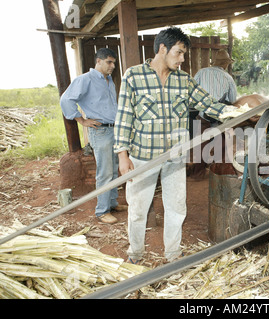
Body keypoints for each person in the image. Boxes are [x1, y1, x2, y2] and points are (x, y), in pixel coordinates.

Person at [114, 27, 229, 263]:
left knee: (176, 207)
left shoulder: (183, 80)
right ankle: (135, 254)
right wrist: (122, 156)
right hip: (143, 156)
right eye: (178, 53)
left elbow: (208, 103)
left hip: (175, 156)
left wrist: (239, 111)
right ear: (162, 49)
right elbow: (124, 117)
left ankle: (173, 254)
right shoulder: (133, 76)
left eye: (184, 54)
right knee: (137, 209)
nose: (182, 59)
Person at [60, 48, 125, 224]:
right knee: (104, 172)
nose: (112, 66)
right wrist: (81, 120)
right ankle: (102, 211)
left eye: (114, 62)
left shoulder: (109, 80)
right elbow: (66, 100)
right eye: (109, 62)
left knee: (113, 169)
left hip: (113, 129)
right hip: (100, 131)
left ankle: (112, 203)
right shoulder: (85, 79)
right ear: (98, 61)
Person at [189, 49, 238, 179]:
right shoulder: (228, 78)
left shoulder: (201, 72)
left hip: (203, 115)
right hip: (219, 117)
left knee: (200, 144)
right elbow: (233, 100)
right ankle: (218, 174)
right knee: (222, 143)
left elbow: (192, 92)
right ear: (226, 64)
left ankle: (197, 174)